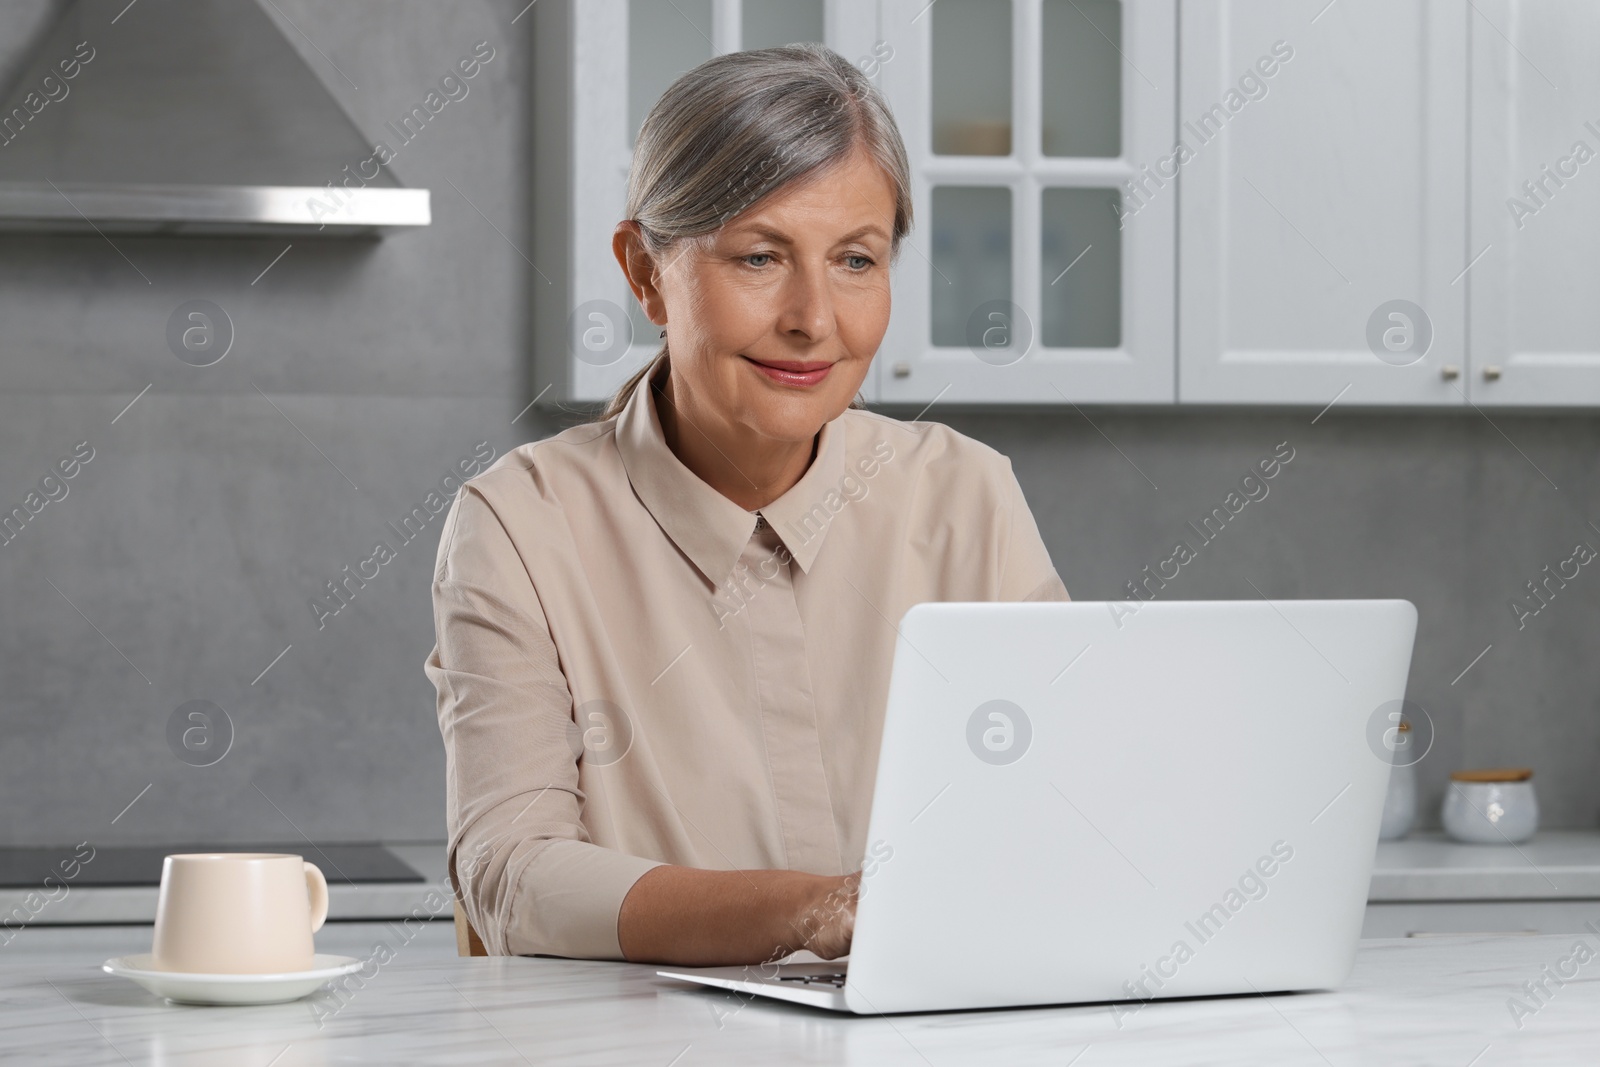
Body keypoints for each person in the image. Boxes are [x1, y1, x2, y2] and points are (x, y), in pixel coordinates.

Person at [424, 42, 1069, 968]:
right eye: (761, 256)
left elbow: (1063, 808)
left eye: (856, 258)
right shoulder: (520, 524)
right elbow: (510, 872)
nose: (814, 316)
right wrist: (817, 909)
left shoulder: (968, 494)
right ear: (644, 273)